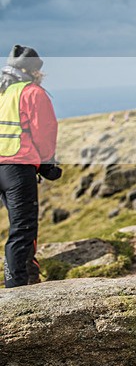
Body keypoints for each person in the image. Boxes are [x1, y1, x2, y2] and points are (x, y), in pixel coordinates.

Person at [0, 45, 59, 287]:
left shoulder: (2, 92)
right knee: (22, 229)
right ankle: (17, 288)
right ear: (32, 71)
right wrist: (47, 164)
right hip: (17, 166)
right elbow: (45, 133)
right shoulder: (32, 92)